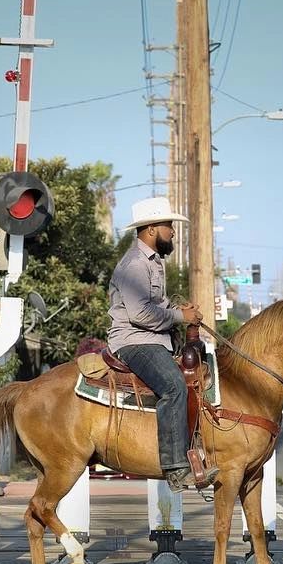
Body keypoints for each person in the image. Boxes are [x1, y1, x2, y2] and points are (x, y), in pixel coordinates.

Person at [107, 197, 219, 492]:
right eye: (168, 225)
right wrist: (180, 316)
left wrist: (178, 308)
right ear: (151, 228)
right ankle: (176, 468)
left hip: (153, 340)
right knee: (173, 386)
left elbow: (155, 303)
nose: (172, 231)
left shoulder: (152, 262)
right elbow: (140, 313)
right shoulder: (134, 265)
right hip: (134, 342)